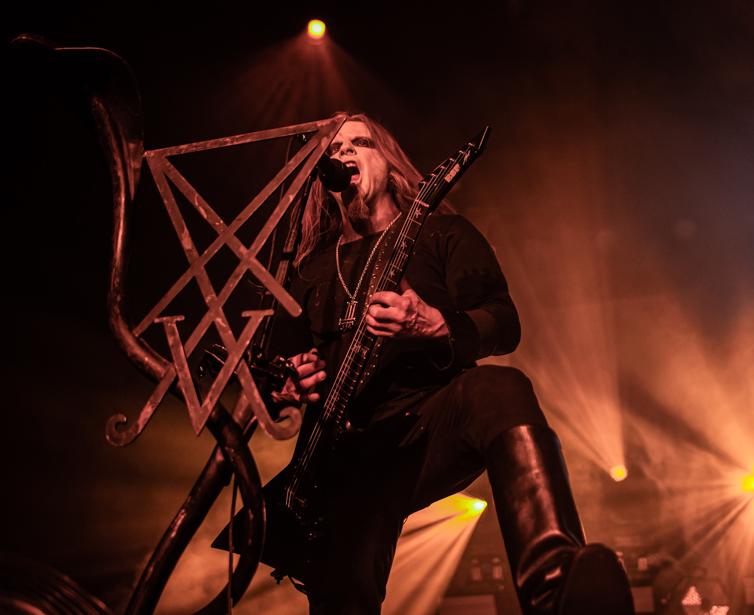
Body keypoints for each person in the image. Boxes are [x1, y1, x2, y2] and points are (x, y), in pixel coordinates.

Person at [254, 113, 634, 615]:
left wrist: (431, 323)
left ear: (390, 165)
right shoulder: (307, 269)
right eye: (333, 149)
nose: (342, 153)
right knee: (343, 594)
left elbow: (503, 322)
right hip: (341, 455)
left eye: (358, 142)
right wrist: (285, 383)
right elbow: (271, 375)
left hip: (427, 424)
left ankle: (554, 580)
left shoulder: (443, 233)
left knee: (498, 389)